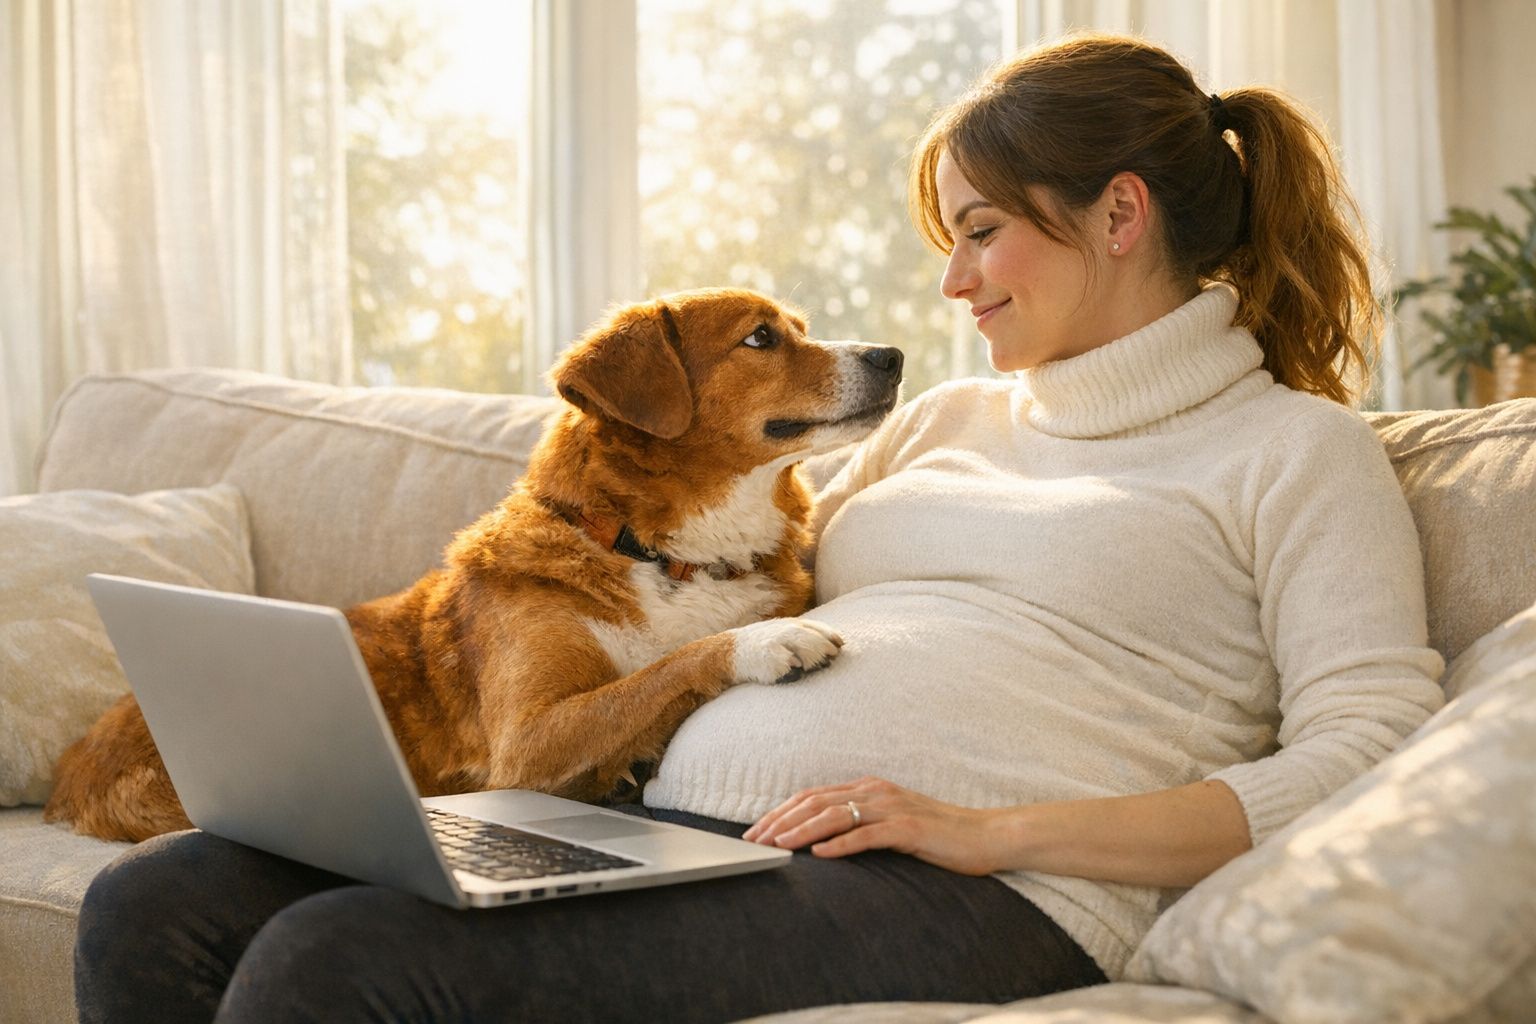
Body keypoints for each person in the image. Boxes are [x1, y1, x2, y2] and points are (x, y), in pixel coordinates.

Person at [74, 32, 1445, 1024]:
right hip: (678, 832)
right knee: (161, 903)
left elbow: (1372, 753)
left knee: (338, 963)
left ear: (1120, 214)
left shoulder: (1296, 454)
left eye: (980, 233)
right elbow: (710, 564)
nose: (953, 281)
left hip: (976, 893)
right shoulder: (944, 423)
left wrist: (995, 830)